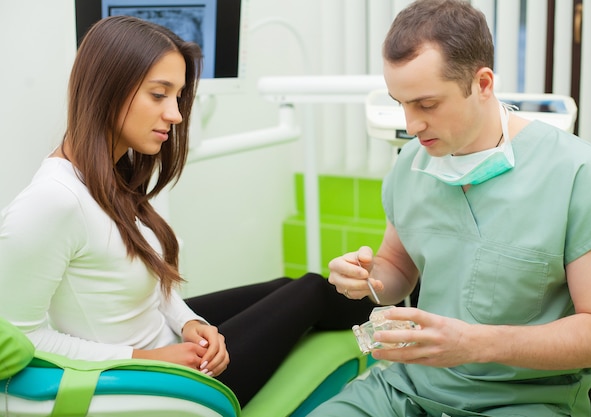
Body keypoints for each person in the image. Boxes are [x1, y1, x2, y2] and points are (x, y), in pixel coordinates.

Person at [0, 15, 376, 408]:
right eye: (159, 95)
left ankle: (399, 308)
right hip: (153, 384)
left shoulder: (109, 176)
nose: (176, 115)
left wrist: (189, 322)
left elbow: (150, 285)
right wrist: (148, 360)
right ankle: (404, 316)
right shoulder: (52, 201)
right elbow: (24, 339)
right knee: (312, 291)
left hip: (165, 344)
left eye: (177, 96)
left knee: (286, 284)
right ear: (107, 90)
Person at [309, 0, 591, 416]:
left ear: (483, 83)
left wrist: (474, 344)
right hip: (405, 387)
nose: (411, 124)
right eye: (400, 103)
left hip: (523, 399)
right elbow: (398, 268)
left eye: (426, 104)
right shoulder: (411, 162)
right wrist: (366, 278)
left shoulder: (579, 173)